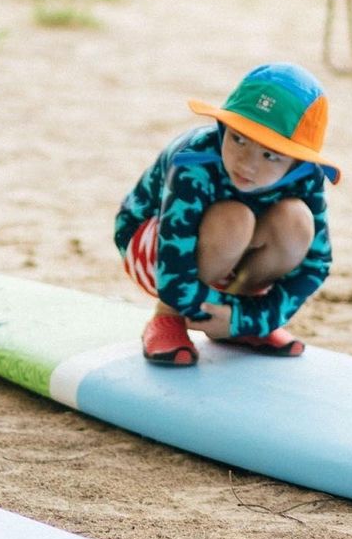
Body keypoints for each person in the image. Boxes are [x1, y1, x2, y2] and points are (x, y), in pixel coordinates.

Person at [114, 63, 339, 366]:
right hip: (153, 250)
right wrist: (229, 315)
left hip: (231, 261)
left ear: (297, 161)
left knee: (296, 220)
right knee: (235, 219)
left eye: (270, 154)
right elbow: (174, 257)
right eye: (238, 138)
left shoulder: (306, 177)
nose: (247, 163)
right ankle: (168, 317)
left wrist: (246, 319)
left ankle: (233, 324)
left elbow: (316, 263)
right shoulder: (195, 159)